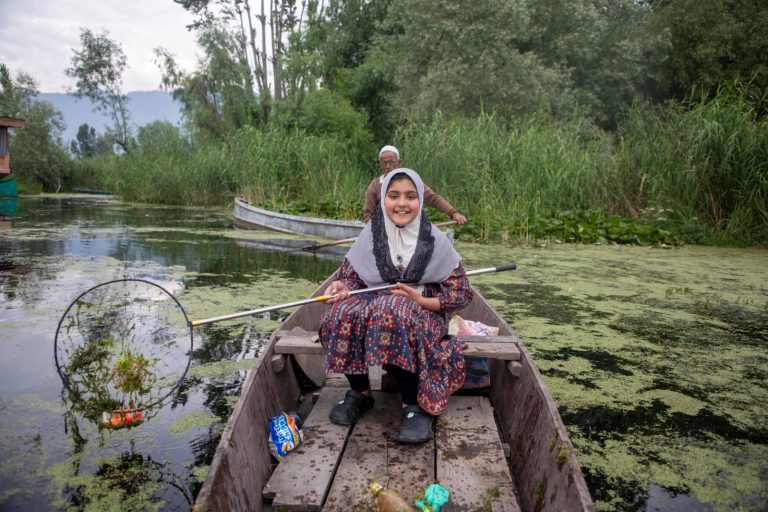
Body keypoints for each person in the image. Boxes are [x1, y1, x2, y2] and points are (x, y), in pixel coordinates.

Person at [319, 168, 473, 443]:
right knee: (339, 312)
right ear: (383, 200)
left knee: (394, 311)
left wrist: (419, 299)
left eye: (410, 196)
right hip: (376, 305)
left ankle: (412, 405)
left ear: (420, 201)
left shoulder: (435, 239)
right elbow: (350, 280)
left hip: (423, 310)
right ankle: (360, 393)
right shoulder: (371, 234)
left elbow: (460, 294)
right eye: (394, 195)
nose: (402, 203)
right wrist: (341, 289)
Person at [363, 145, 468, 225]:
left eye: (391, 162)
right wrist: (375, 230)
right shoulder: (376, 185)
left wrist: (453, 213)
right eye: (383, 163)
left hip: (409, 230)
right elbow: (368, 214)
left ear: (399, 162)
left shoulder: (412, 181)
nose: (387, 166)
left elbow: (433, 198)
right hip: (385, 232)